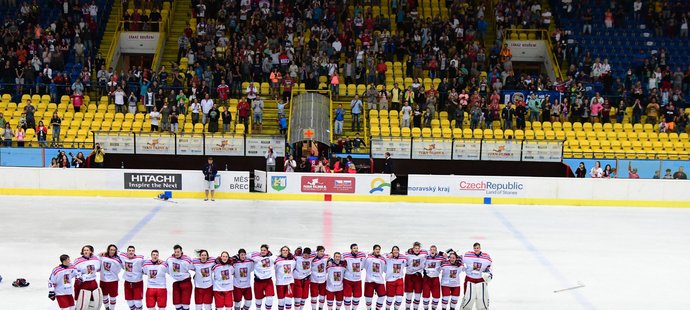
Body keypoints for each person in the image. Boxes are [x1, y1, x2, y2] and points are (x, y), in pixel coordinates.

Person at [460, 243, 492, 310]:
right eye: (475, 248)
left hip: (480, 280)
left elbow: (489, 267)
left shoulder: (486, 257)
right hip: (469, 279)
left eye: (477, 248)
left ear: (480, 248)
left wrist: (489, 274)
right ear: (473, 248)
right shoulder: (467, 255)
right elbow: (459, 259)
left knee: (481, 298)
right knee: (468, 297)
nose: (476, 249)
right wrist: (462, 267)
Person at [167, 245, 194, 310]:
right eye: (175, 252)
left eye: (178, 252)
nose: (176, 253)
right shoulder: (169, 259)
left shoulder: (187, 259)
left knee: (185, 304)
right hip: (175, 283)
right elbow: (165, 266)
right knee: (177, 304)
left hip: (186, 282)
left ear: (181, 252)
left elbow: (194, 267)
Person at [250, 244, 276, 310]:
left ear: (267, 251)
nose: (263, 251)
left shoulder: (272, 257)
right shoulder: (256, 258)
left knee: (270, 299)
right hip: (258, 282)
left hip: (268, 281)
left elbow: (281, 258)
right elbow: (246, 255)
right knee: (258, 299)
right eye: (261, 250)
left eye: (264, 250)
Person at [120, 245, 145, 310]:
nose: (131, 252)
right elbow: (113, 251)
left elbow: (151, 260)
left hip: (138, 283)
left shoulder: (140, 258)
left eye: (132, 251)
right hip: (127, 282)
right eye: (129, 251)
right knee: (130, 302)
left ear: (134, 252)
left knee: (137, 302)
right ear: (127, 252)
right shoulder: (122, 256)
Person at [99, 244, 123, 310]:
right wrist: (100, 254)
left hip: (113, 280)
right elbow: (96, 259)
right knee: (104, 296)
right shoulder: (103, 257)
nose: (112, 251)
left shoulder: (118, 259)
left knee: (113, 297)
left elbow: (123, 266)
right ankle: (107, 308)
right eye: (111, 250)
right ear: (108, 250)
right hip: (103, 280)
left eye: (114, 250)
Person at [404, 242, 427, 310]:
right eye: (415, 248)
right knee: (409, 294)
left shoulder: (423, 254)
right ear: (413, 248)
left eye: (418, 248)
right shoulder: (407, 254)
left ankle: (415, 308)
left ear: (420, 249)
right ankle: (407, 308)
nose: (417, 249)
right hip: (409, 276)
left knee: (418, 294)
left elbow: (433, 251)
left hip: (418, 276)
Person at [342, 243, 365, 310]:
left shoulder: (362, 255)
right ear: (351, 249)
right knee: (347, 297)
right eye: (354, 248)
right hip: (348, 280)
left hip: (357, 280)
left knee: (357, 297)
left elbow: (370, 254)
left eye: (357, 248)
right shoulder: (346, 255)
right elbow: (337, 257)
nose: (356, 249)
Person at [364, 245, 386, 310]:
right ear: (373, 250)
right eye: (376, 249)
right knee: (368, 298)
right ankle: (369, 308)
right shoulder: (368, 257)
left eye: (379, 249)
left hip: (379, 281)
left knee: (382, 296)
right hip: (369, 280)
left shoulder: (382, 258)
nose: (378, 250)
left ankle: (377, 308)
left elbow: (384, 269)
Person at [385, 246, 406, 310]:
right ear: (392, 251)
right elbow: (379, 255)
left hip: (399, 280)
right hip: (390, 280)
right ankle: (387, 308)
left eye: (397, 250)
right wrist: (388, 255)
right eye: (394, 250)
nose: (396, 251)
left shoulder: (403, 258)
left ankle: (396, 308)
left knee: (399, 298)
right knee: (390, 299)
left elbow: (410, 257)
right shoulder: (388, 258)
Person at [422, 246, 443, 310]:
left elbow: (450, 258)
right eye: (431, 250)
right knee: (426, 296)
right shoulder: (425, 257)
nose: (432, 251)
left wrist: (442, 253)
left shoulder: (440, 258)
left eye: (434, 250)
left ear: (436, 251)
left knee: (436, 296)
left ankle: (434, 308)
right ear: (429, 251)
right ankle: (426, 308)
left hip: (435, 278)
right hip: (426, 278)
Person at [310, 246, 330, 310]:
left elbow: (332, 259)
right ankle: (314, 308)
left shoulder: (326, 257)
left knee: (322, 295)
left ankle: (320, 308)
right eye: (320, 251)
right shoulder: (313, 258)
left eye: (323, 251)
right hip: (314, 280)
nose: (322, 253)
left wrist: (330, 260)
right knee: (314, 296)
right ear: (317, 251)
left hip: (323, 280)